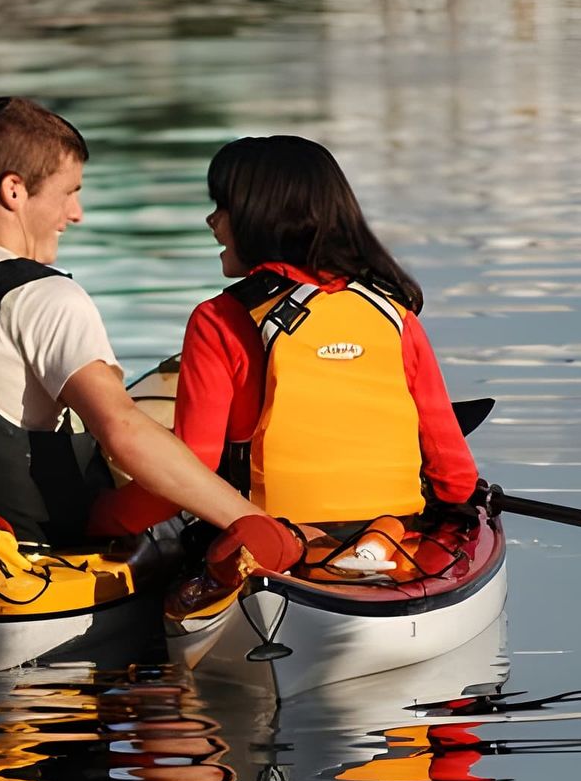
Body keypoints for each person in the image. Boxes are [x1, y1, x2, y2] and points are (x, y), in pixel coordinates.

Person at [0, 97, 297, 567]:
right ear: (14, 191)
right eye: (68, 192)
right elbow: (125, 432)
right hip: (29, 555)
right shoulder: (44, 296)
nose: (75, 213)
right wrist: (261, 525)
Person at [89, 134, 478, 574]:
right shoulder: (394, 313)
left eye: (224, 206)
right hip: (395, 538)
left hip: (272, 541)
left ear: (263, 217)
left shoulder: (220, 319)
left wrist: (98, 518)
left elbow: (182, 479)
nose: (211, 220)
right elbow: (456, 478)